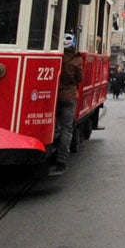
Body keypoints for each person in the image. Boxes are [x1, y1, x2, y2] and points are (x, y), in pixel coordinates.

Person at [51, 32, 83, 176]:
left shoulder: (56, 57)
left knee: (55, 125)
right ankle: (61, 160)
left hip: (55, 95)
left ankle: (51, 151)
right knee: (67, 128)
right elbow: (79, 78)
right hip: (69, 96)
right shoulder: (76, 61)